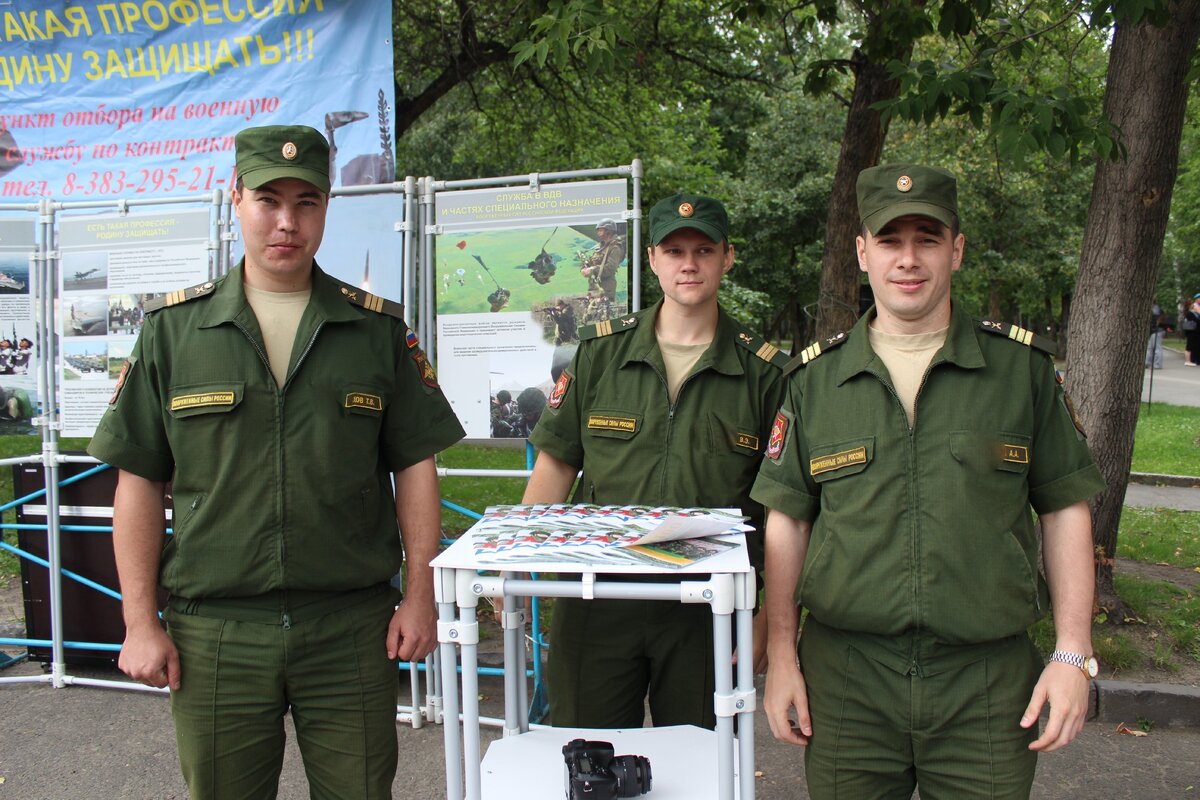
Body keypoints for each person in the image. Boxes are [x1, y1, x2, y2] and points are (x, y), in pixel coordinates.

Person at [87, 124, 466, 799]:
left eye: (307, 202)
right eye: (268, 199)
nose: (287, 222)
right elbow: (139, 480)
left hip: (350, 629)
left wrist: (420, 596)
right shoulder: (174, 333)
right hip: (217, 632)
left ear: (327, 207)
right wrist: (140, 621)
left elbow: (414, 469)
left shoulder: (376, 330)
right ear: (234, 198)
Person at [752, 164, 1105, 799]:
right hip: (848, 678)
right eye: (890, 241)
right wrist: (782, 658)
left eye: (928, 238)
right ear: (863, 253)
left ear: (957, 249)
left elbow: (1064, 511)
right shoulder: (813, 382)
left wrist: (1072, 653)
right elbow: (788, 522)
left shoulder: (1020, 371)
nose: (908, 259)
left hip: (987, 683)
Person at [525, 193, 789, 729]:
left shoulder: (765, 374)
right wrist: (525, 570)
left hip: (706, 608)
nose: (688, 264)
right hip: (597, 598)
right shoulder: (601, 353)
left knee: (699, 768)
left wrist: (766, 619)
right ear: (651, 259)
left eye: (703, 250)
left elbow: (782, 509)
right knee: (587, 761)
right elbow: (555, 465)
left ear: (727, 257)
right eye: (673, 250)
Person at [578, 218, 626, 321]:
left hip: (605, 290)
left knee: (603, 321)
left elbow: (610, 268)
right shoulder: (599, 247)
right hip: (594, 289)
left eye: (601, 229)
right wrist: (584, 268)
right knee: (587, 318)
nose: (598, 231)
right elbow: (591, 263)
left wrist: (593, 269)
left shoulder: (615, 248)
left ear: (608, 231)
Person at [1146, 301, 1169, 368]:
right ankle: (1147, 362)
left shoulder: (1155, 309)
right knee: (1150, 348)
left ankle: (1157, 364)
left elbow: (1156, 320)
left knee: (1157, 348)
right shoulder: (1156, 308)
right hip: (1155, 330)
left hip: (1157, 330)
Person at [1183, 293, 1200, 366]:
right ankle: (1189, 360)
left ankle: (1193, 360)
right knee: (1190, 345)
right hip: (1192, 331)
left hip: (1194, 331)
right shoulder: (1192, 310)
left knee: (1194, 345)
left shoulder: (1193, 311)